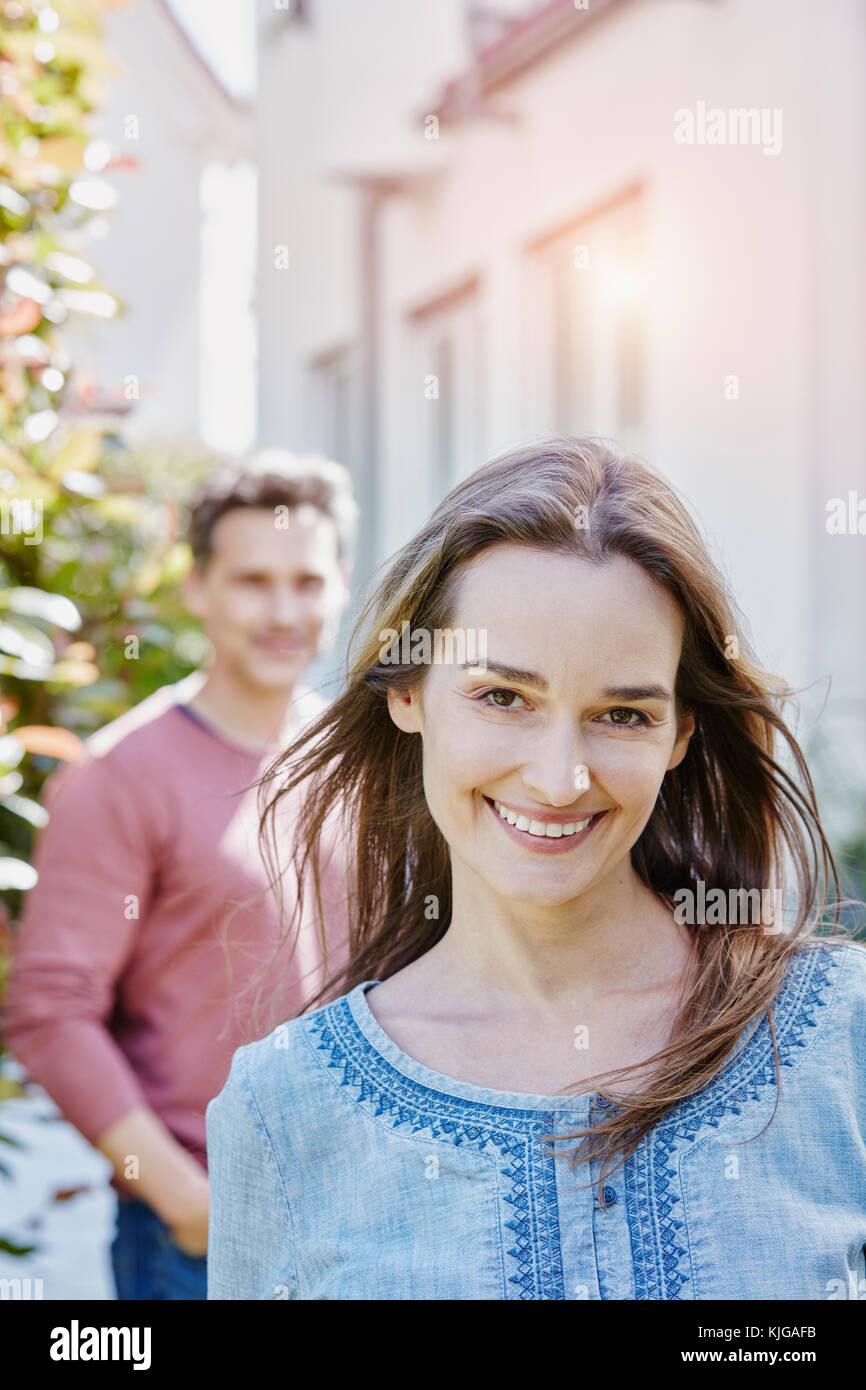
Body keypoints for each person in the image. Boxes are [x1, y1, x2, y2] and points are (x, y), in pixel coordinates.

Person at [206, 435, 865, 1302]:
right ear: (408, 692)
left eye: (623, 714)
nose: (560, 779)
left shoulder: (841, 1039)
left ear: (681, 735)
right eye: (503, 697)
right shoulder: (283, 1106)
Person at [4, 449, 357, 1300]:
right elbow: (49, 1012)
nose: (284, 612)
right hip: (199, 1243)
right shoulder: (121, 773)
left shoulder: (354, 759)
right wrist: (184, 1199)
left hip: (354, 1216)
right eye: (252, 582)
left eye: (307, 583)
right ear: (197, 588)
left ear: (341, 586)